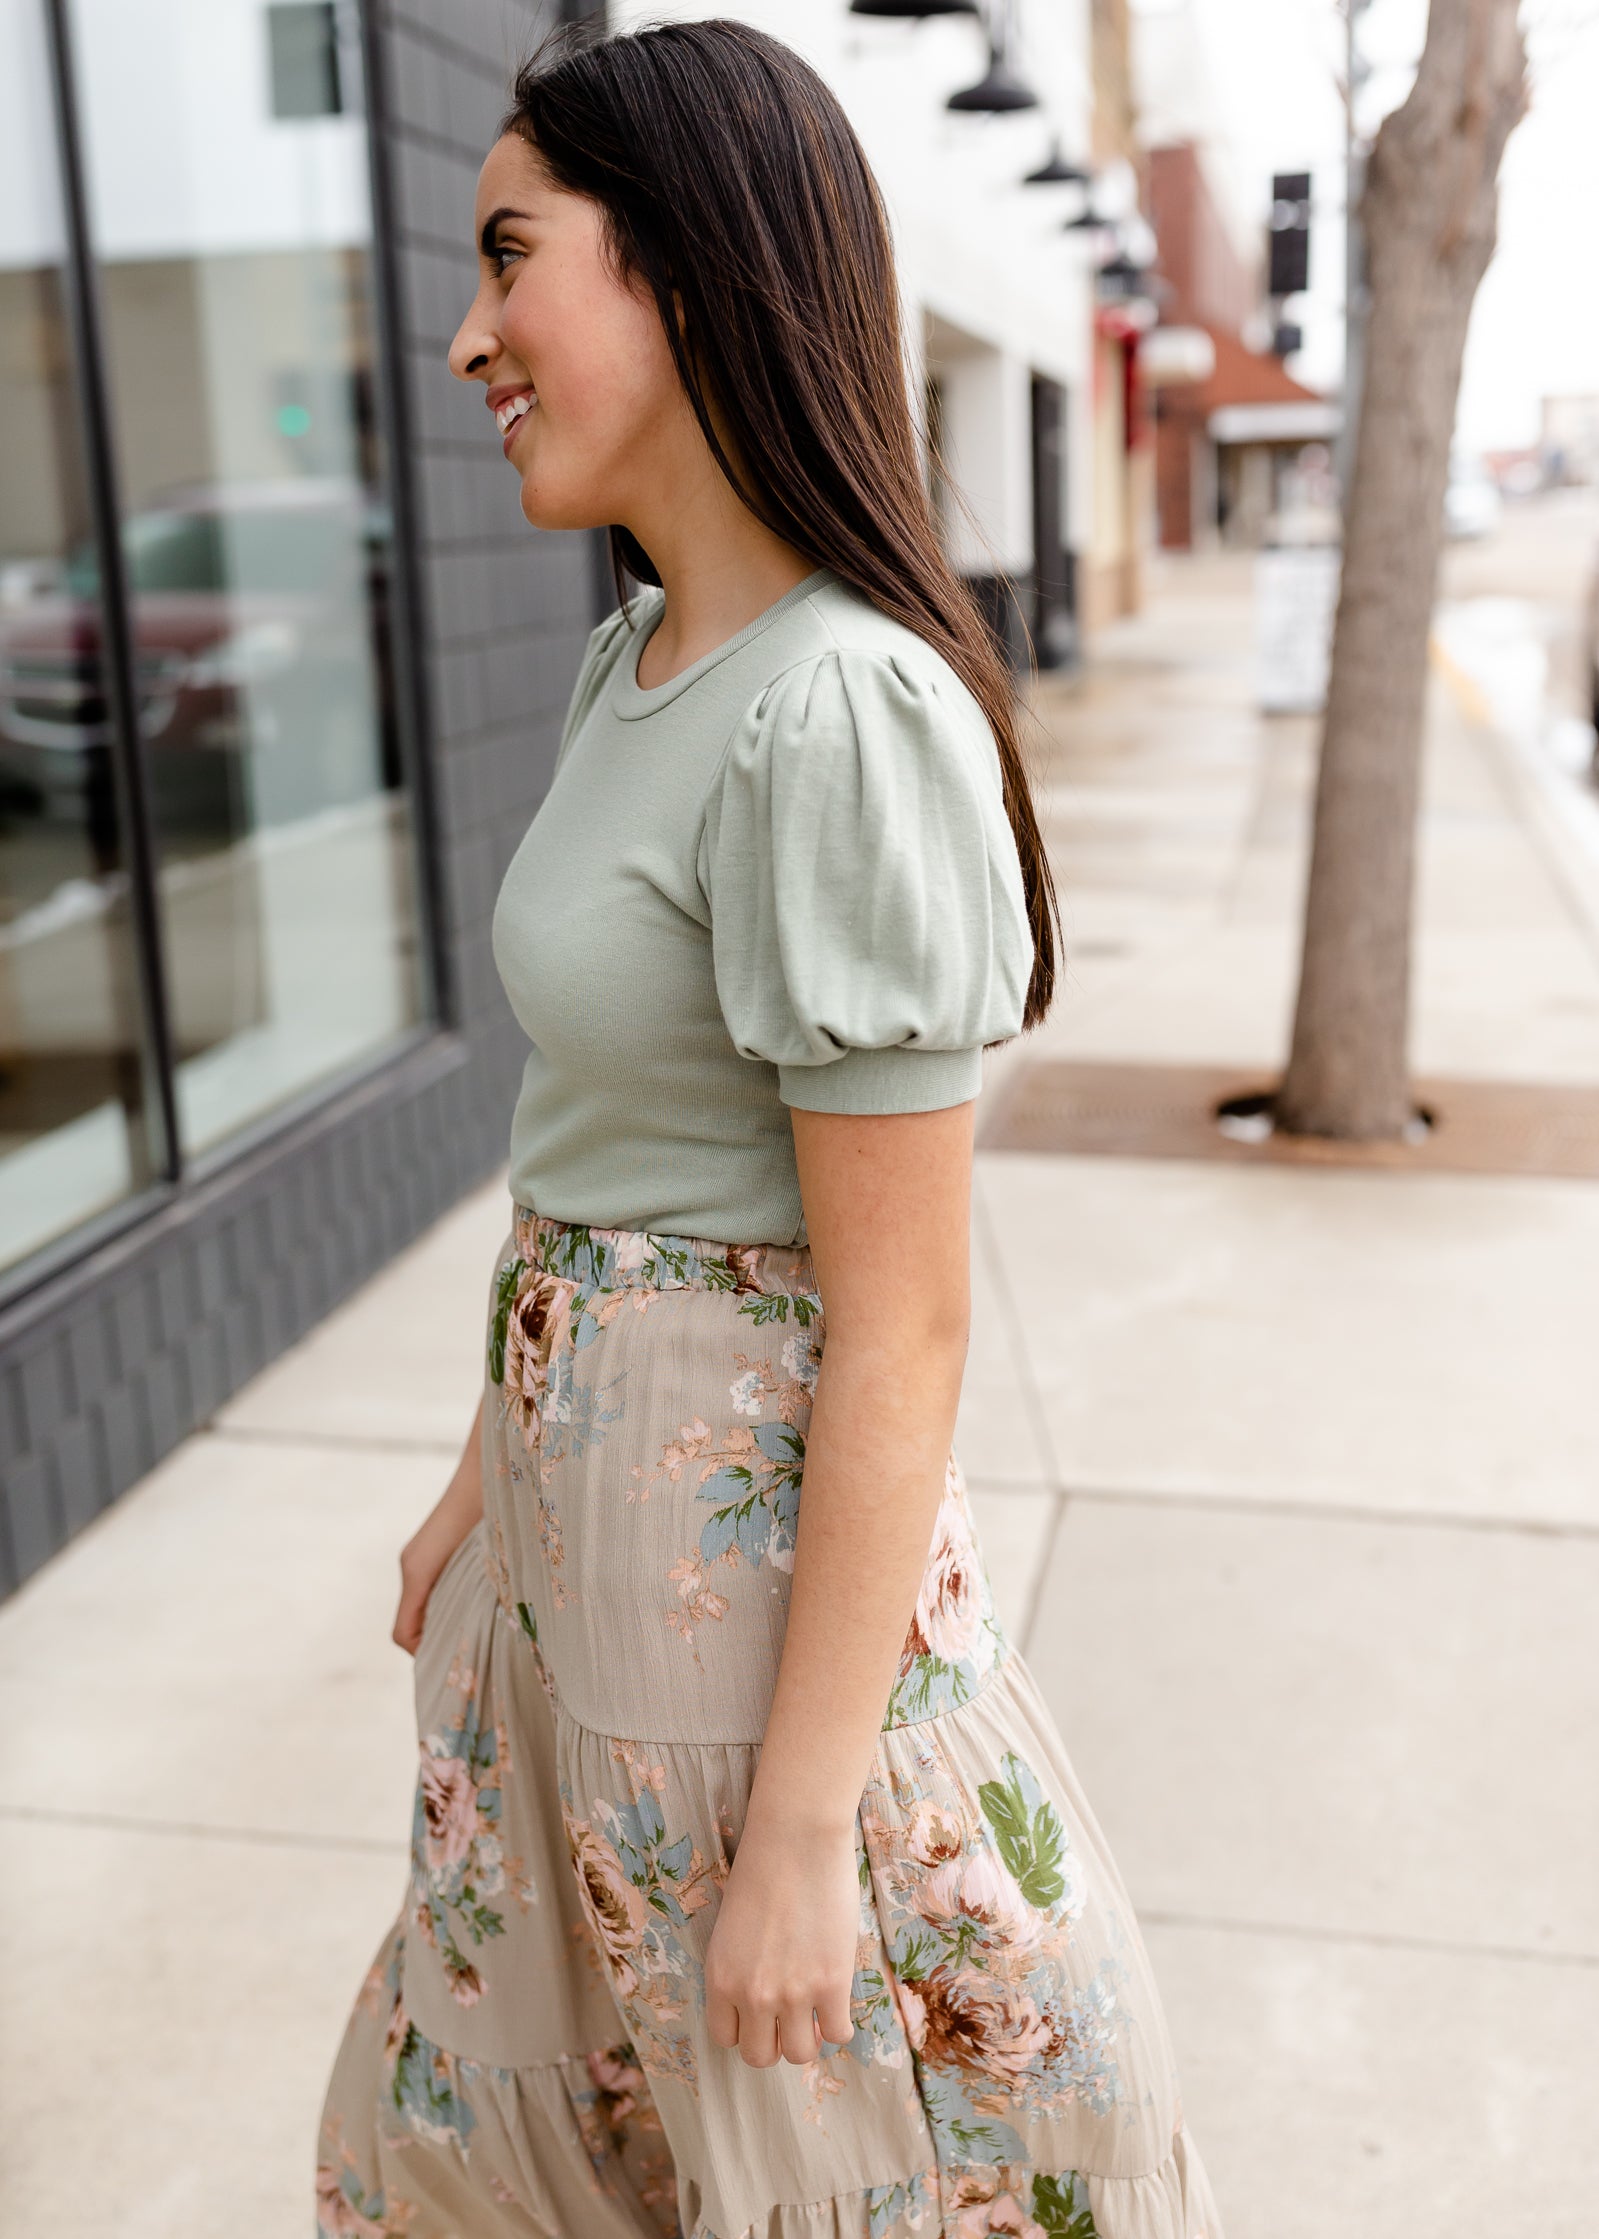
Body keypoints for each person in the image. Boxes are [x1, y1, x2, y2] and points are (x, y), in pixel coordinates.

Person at [316, 22, 1222, 2239]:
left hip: (739, 1674)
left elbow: (900, 1324)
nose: (465, 336)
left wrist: (810, 1827)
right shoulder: (625, 669)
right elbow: (598, 1132)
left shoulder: (841, 708)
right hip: (576, 1606)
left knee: (837, 2164)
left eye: (509, 256)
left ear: (688, 272)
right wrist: (488, 1465)